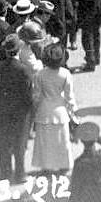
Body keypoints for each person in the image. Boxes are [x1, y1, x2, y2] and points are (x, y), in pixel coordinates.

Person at [0, 33, 35, 181]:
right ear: (18, 50)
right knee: (19, 143)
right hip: (21, 113)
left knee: (5, 142)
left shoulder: (0, 67)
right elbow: (29, 95)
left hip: (4, 110)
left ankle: (6, 173)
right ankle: (20, 173)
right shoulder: (23, 69)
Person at [32, 43, 77, 175]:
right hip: (60, 110)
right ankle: (64, 165)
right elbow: (69, 97)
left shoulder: (39, 74)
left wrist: (34, 111)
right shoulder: (65, 74)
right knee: (62, 140)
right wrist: (74, 112)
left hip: (44, 110)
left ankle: (46, 166)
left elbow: (36, 96)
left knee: (45, 141)